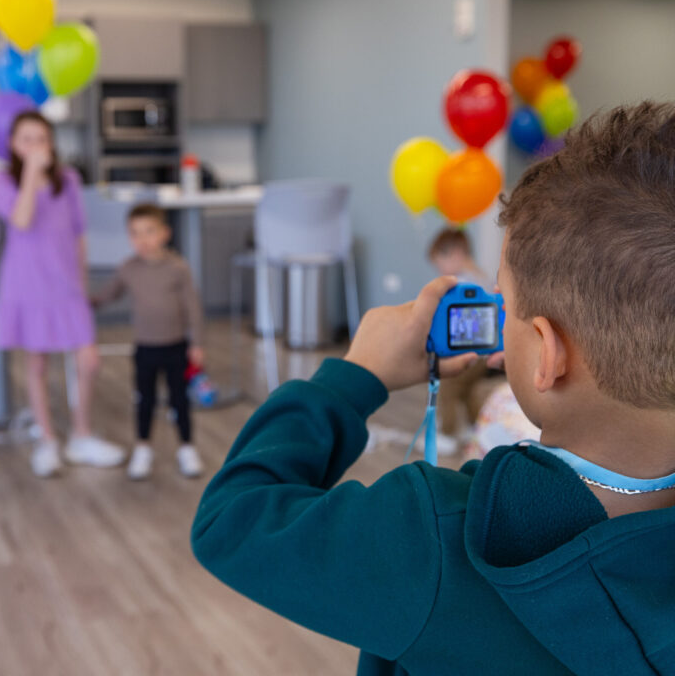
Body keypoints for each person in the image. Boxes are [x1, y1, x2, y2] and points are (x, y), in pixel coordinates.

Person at [191, 103, 675, 675]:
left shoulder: (434, 538)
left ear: (547, 355)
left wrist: (354, 379)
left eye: (505, 301)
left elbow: (231, 520)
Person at [0, 111, 125, 478]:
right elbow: (20, 220)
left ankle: (81, 435)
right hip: (27, 284)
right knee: (37, 365)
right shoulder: (4, 180)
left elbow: (79, 234)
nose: (35, 145)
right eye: (27, 139)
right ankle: (47, 440)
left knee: (89, 361)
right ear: (12, 144)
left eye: (42, 138)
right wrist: (32, 171)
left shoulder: (68, 179)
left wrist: (81, 285)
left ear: (52, 142)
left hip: (66, 285)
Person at [92, 203, 205, 480]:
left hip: (176, 347)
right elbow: (109, 294)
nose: (142, 239)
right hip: (145, 349)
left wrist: (197, 343)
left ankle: (186, 448)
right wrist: (87, 303)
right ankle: (143, 447)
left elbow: (193, 307)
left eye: (149, 231)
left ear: (164, 233)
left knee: (180, 400)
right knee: (145, 400)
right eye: (134, 233)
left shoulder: (178, 268)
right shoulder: (128, 268)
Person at [428, 228, 501, 454]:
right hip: (484, 353)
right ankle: (476, 428)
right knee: (468, 390)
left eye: (440, 260)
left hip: (462, 351)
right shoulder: (482, 278)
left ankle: (446, 434)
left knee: (447, 388)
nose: (438, 268)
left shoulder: (456, 285)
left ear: (456, 254)